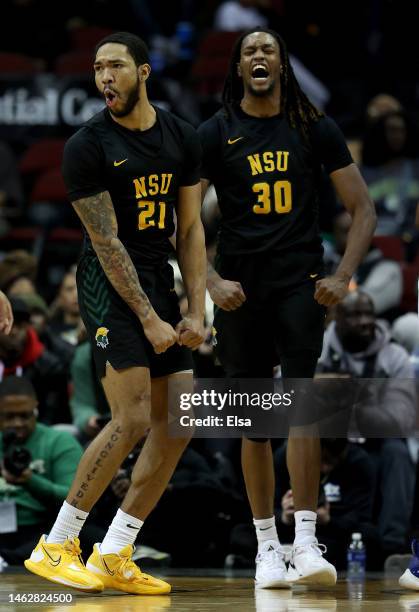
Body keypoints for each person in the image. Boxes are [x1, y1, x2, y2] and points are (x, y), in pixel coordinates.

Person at [24, 31, 206, 595]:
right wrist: (150, 318)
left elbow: (192, 227)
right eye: (98, 68)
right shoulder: (87, 144)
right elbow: (106, 243)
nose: (104, 77)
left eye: (116, 67)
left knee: (181, 420)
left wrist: (194, 309)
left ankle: (116, 550)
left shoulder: (181, 135)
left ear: (144, 72)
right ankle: (57, 543)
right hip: (108, 284)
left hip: (158, 276)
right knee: (129, 419)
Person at [198, 27, 376, 588]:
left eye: (267, 49)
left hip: (301, 281)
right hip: (240, 291)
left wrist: (342, 277)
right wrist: (209, 281)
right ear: (237, 66)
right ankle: (266, 548)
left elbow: (363, 209)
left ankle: (305, 542)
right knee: (256, 423)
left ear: (281, 64)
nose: (258, 56)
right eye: (249, 50)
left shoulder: (312, 125)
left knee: (299, 406)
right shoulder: (215, 132)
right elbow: (185, 223)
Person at [318, 291, 416, 561]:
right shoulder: (319, 349)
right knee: (292, 445)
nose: (365, 321)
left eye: (369, 314)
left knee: (398, 453)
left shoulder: (394, 356)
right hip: (330, 442)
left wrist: (352, 404)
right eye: (355, 315)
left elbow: (402, 418)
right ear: (337, 318)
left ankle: (392, 548)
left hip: (376, 441)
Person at [0, 376, 84, 564]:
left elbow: (76, 500)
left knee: (78, 534)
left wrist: (30, 481)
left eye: (25, 415)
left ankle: (8, 559)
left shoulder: (60, 442)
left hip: (41, 528)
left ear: (35, 408)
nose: (17, 423)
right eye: (8, 416)